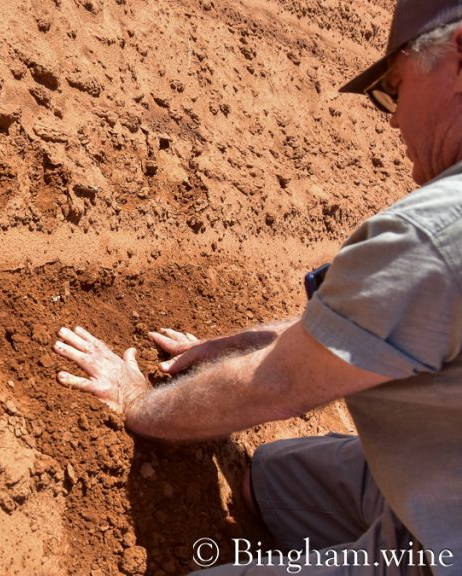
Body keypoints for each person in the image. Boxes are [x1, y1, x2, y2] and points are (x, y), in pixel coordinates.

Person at [52, 2, 462, 574]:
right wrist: (238, 345)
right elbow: (396, 318)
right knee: (268, 482)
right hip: (446, 467)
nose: (393, 121)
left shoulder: (438, 229)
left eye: (395, 89)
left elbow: (279, 385)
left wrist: (140, 403)